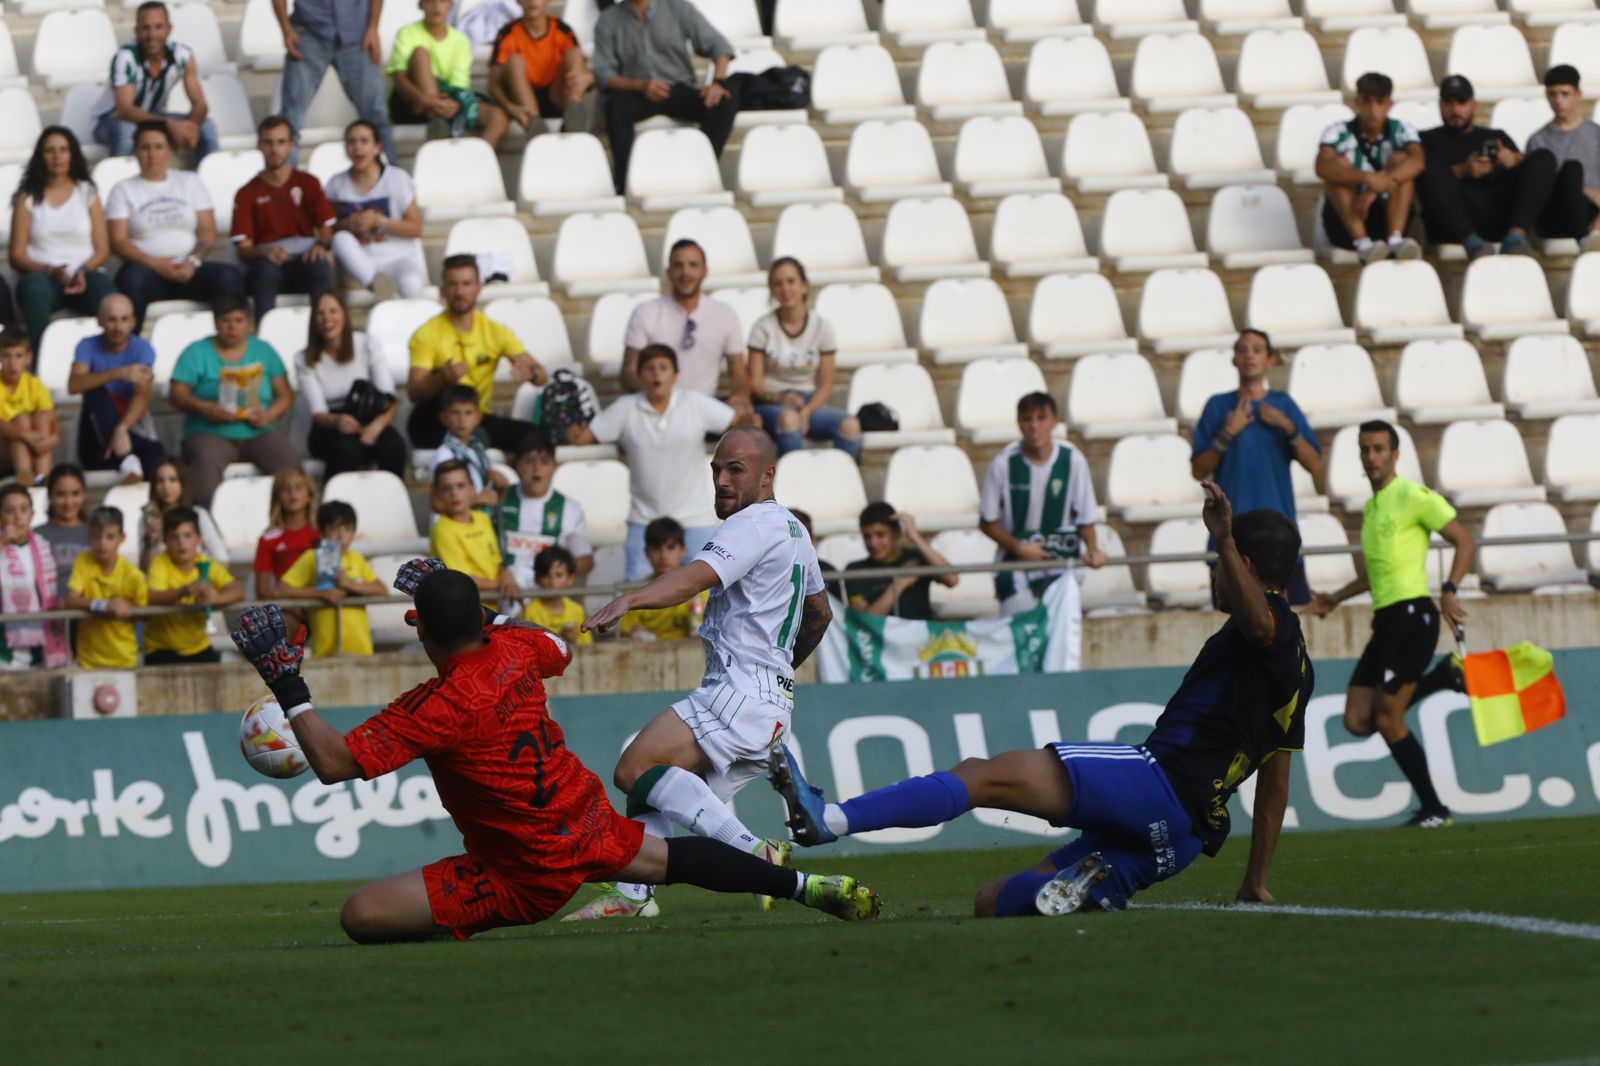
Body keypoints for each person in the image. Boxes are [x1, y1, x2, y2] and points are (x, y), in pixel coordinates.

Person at [226, 564, 877, 942]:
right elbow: (559, 648)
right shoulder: (514, 649)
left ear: (417, 627)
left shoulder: (433, 709)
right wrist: (467, 609)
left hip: (522, 869)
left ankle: (465, 927)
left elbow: (335, 763)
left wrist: (286, 682)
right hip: (585, 818)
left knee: (359, 916)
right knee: (673, 860)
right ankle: (807, 885)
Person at [777, 481, 1313, 917]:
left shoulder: (1270, 627)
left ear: (1242, 563)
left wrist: (1221, 540)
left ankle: (834, 821)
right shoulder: (1300, 670)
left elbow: (1260, 622)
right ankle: (1082, 887)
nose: (1213, 572)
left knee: (980, 774)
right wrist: (1255, 882)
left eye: (1218, 562)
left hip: (1157, 783)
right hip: (1183, 841)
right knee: (991, 901)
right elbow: (1275, 784)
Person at [569, 426, 831, 920]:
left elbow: (692, 579)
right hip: (771, 704)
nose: (723, 481)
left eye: (737, 470)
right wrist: (780, 674)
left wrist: (631, 599)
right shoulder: (794, 530)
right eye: (716, 470)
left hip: (738, 695)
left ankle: (756, 851)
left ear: (767, 475)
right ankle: (633, 896)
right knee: (658, 782)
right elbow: (820, 613)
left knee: (634, 768)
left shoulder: (751, 525)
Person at [1309, 420, 1474, 829]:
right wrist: (1335, 598)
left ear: (1395, 455)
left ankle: (1435, 809)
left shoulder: (1413, 496)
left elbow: (1465, 540)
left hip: (1413, 617)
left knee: (1387, 719)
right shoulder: (1370, 508)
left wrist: (1449, 590)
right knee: (1356, 720)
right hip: (1385, 621)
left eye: (1379, 449)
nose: (1371, 456)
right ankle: (1442, 678)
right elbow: (1372, 575)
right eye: (1365, 449)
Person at [573, 344, 733, 581]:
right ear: (639, 376)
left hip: (696, 519)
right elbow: (585, 437)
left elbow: (736, 422)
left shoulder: (695, 403)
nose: (657, 374)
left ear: (675, 374)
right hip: (644, 521)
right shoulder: (625, 407)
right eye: (649, 368)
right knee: (639, 602)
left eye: (663, 368)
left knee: (709, 601)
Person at [1190, 330, 1322, 605]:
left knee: (1290, 628)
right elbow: (1198, 470)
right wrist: (1227, 433)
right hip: (1231, 539)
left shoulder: (1284, 405)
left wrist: (1287, 427)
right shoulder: (1218, 406)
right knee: (1234, 633)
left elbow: (1315, 464)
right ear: (1234, 360)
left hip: (1282, 541)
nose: (1249, 354)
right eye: (1242, 349)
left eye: (1257, 349)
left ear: (1270, 360)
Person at [979, 392, 1106, 620]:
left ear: (1054, 422)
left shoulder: (1072, 461)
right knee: (1020, 635)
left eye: (1041, 418)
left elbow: (1085, 519)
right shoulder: (1003, 464)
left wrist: (1093, 548)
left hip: (1060, 563)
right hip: (1015, 566)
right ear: (1019, 424)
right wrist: (1018, 547)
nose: (1034, 426)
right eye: (1027, 419)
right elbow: (987, 522)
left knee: (1061, 637)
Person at [107, 122, 243, 332]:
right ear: (136, 151)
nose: (152, 154)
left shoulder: (190, 182)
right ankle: (130, 351)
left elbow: (207, 232)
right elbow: (118, 241)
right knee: (132, 280)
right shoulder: (123, 190)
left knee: (228, 277)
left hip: (190, 268)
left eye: (158, 147)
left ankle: (230, 348)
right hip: (147, 270)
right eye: (145, 147)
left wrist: (193, 261)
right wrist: (156, 264)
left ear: (170, 150)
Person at [168, 292, 298, 508]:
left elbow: (285, 394)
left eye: (238, 321)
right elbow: (176, 394)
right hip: (209, 432)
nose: (232, 327)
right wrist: (205, 408)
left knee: (288, 460)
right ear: (215, 322)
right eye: (225, 321)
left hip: (258, 431)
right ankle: (207, 522)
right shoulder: (196, 352)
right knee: (205, 462)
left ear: (248, 322)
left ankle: (294, 524)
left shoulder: (263, 351)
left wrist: (270, 415)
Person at [592, 0, 736, 194]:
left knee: (723, 102)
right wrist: (640, 85)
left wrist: (718, 82)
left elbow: (719, 45)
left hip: (678, 89)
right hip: (637, 91)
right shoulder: (608, 20)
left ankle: (702, 168)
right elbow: (603, 74)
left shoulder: (677, 7)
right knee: (616, 104)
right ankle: (624, 181)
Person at [407, 254, 547, 450]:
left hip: (477, 418)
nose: (460, 292)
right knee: (449, 401)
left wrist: (530, 373)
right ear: (443, 290)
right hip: (438, 421)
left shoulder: (495, 331)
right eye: (453, 284)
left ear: (479, 288)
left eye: (466, 284)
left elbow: (542, 376)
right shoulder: (426, 333)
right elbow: (414, 392)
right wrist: (442, 378)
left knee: (535, 437)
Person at [1417, 75, 1560, 258]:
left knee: (1544, 157)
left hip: (1497, 216)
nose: (1455, 109)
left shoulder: (1496, 136)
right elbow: (1422, 180)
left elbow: (1531, 173)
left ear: (1473, 105)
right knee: (1424, 166)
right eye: (1448, 103)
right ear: (1440, 106)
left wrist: (1514, 160)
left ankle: (1516, 236)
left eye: (1461, 102)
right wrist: (1462, 171)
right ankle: (1471, 240)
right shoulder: (1426, 139)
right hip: (1454, 224)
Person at [8, 127, 116, 352]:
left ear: (72, 154)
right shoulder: (27, 197)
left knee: (109, 297)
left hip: (85, 274)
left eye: (63, 150)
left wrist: (83, 272)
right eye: (50, 151)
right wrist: (50, 270)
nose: (57, 157)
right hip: (43, 276)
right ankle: (41, 360)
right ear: (41, 156)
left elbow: (103, 249)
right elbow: (16, 255)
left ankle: (109, 362)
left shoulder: (87, 192)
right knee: (34, 290)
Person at [748, 257, 860, 461]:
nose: (785, 288)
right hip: (772, 401)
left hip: (809, 401)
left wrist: (807, 411)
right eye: (778, 283)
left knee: (851, 426)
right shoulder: (762, 328)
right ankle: (791, 484)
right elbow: (755, 385)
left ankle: (843, 483)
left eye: (791, 281)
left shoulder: (822, 327)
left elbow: (825, 386)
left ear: (804, 285)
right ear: (772, 290)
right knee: (789, 420)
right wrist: (782, 400)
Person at [621, 240, 749, 411]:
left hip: (705, 409)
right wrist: (658, 396)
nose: (685, 272)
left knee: (751, 422)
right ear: (669, 272)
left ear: (704, 271)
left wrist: (739, 398)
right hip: (657, 409)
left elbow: (738, 371)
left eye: (693, 265)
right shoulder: (645, 312)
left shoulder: (724, 314)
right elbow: (628, 372)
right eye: (678, 265)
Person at [296, 290, 407, 481]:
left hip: (370, 415)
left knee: (393, 447)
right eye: (320, 313)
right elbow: (319, 413)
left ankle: (391, 501)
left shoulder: (367, 345)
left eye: (333, 311)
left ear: (344, 315)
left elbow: (390, 400)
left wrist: (377, 426)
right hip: (330, 423)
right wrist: (338, 421)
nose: (327, 318)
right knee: (347, 452)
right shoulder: (304, 359)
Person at [231, 116, 336, 317]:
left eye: (281, 142)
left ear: (291, 146)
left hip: (302, 261)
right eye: (268, 142)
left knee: (320, 265)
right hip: (267, 265)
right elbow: (243, 250)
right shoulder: (246, 192)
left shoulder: (309, 183)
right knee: (264, 271)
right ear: (259, 146)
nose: (275, 149)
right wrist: (265, 253)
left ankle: (322, 333)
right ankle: (265, 337)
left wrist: (321, 247)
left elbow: (327, 232)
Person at [274, 0, 400, 167]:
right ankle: (282, 185)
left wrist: (373, 28)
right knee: (291, 117)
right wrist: (286, 29)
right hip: (309, 34)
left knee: (376, 114)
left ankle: (390, 180)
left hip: (357, 36)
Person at [1317, 72, 1425, 264]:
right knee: (1337, 168)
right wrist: (1366, 178)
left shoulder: (1402, 129)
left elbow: (1418, 161)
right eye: (1367, 101)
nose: (1373, 109)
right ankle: (1362, 244)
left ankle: (1395, 239)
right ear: (1357, 102)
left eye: (1380, 102)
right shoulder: (1337, 131)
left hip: (1386, 215)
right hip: (1349, 219)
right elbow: (1321, 166)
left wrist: (1373, 190)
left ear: (1389, 104)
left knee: (1402, 160)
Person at [92, 1, 218, 162]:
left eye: (158, 27)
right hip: (111, 120)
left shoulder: (182, 55)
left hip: (154, 117)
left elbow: (200, 104)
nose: (152, 34)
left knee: (206, 126)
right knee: (126, 130)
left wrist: (190, 127)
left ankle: (210, 183)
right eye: (146, 28)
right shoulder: (126, 58)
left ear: (169, 29)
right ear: (137, 31)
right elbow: (125, 110)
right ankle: (117, 181)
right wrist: (169, 124)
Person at [324, 121, 427, 300]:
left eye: (364, 141)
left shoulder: (397, 178)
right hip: (360, 262)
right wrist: (347, 225)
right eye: (351, 142)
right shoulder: (336, 184)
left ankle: (387, 296)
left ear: (377, 147)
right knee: (340, 239)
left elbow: (416, 228)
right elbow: (327, 229)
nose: (357, 148)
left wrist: (380, 222)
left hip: (398, 256)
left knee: (412, 284)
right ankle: (377, 286)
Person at [68, 294, 165, 482]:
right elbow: (74, 385)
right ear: (100, 321)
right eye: (111, 319)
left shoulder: (143, 350)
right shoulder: (86, 345)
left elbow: (141, 397)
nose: (118, 327)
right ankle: (129, 459)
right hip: (95, 432)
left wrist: (121, 428)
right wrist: (117, 373)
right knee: (95, 391)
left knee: (155, 461)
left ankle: (128, 460)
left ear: (133, 322)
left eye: (124, 319)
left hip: (131, 422)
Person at [388, 0, 510, 147]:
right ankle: (437, 117)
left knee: (498, 118)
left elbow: (459, 87)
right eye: (430, 2)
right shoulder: (406, 33)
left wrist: (449, 104)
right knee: (420, 54)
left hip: (448, 102)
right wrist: (428, 101)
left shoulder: (461, 40)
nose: (436, 6)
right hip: (413, 104)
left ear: (451, 5)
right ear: (421, 5)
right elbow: (399, 77)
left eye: (442, 1)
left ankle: (474, 164)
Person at [275, 500, 387, 658]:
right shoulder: (311, 557)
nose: (341, 536)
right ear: (322, 532)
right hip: (325, 652)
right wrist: (320, 593)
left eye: (347, 530)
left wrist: (351, 584)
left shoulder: (356, 558)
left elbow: (381, 589)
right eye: (334, 529)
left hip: (362, 650)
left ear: (353, 534)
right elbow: (281, 589)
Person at [495, 430, 593, 600]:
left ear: (555, 466)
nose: (537, 468)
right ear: (517, 465)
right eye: (529, 461)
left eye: (544, 462)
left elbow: (585, 560)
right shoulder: (499, 500)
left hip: (547, 594)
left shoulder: (570, 508)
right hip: (503, 588)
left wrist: (555, 573)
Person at [144, 505, 242, 664]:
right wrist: (184, 591)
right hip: (160, 649)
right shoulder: (159, 563)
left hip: (198, 647)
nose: (181, 542)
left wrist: (216, 598)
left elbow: (237, 591)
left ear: (199, 538)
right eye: (174, 537)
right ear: (165, 541)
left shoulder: (206, 564)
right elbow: (151, 596)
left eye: (187, 535)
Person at [488, 0, 594, 134]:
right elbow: (493, 86)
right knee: (515, 60)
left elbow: (586, 78)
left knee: (574, 53)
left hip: (556, 95)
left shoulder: (563, 30)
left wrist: (587, 79)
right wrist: (511, 108)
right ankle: (535, 124)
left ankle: (573, 115)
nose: (532, 1)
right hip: (523, 102)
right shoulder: (507, 34)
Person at [62, 506, 148, 670]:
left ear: (122, 538)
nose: (102, 543)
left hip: (125, 659)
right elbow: (70, 600)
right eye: (96, 536)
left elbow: (145, 614)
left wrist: (127, 608)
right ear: (89, 537)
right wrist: (103, 605)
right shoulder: (83, 561)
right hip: (87, 661)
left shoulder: (133, 575)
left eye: (110, 537)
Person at [1527, 65, 1600, 252]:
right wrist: (1586, 191)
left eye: (1565, 94)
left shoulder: (1595, 135)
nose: (1558, 101)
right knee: (1572, 170)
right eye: (1552, 94)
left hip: (1592, 214)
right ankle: (1586, 241)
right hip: (1554, 216)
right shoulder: (1538, 140)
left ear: (1578, 95)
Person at [844, 502, 958, 621]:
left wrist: (914, 536)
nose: (873, 543)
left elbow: (952, 579)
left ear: (896, 534)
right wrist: (898, 584)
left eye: (880, 535)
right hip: (881, 639)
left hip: (921, 637)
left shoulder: (916, 558)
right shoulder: (855, 570)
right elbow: (865, 622)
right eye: (867, 537)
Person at [0, 483, 69, 669]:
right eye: (9, 510)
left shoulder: (42, 546)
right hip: (4, 643)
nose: (17, 517)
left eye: (23, 509)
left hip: (41, 637)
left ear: (32, 514)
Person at [619, 516, 706, 642]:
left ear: (683, 550)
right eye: (656, 549)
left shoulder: (700, 589)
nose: (663, 555)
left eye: (670, 547)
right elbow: (626, 637)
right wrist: (635, 634)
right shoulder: (633, 595)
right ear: (647, 552)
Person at [140, 457, 229, 570]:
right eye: (160, 481)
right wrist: (150, 541)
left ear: (182, 483)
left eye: (173, 480)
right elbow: (146, 570)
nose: (166, 487)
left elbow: (222, 558)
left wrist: (203, 579)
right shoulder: (148, 519)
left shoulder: (198, 514)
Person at [430, 459, 503, 594]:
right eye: (446, 488)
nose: (454, 493)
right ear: (438, 494)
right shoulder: (443, 530)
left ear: (473, 489)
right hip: (466, 610)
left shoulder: (483, 518)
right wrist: (502, 586)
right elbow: (461, 578)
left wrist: (506, 577)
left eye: (460, 486)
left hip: (496, 605)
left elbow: (499, 562)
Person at [428, 383, 504, 509]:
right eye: (455, 413)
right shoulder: (444, 455)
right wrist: (476, 500)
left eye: (468, 413)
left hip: (480, 518)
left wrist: (501, 487)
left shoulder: (477, 449)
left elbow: (487, 494)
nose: (462, 419)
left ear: (478, 418)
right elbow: (437, 503)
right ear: (444, 418)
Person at [0, 327, 60, 486]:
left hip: (34, 447)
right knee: (22, 421)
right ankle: (25, 475)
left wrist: (50, 440)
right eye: (7, 356)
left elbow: (52, 422)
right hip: (4, 450)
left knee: (42, 417)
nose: (12, 363)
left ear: (28, 358)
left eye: (18, 356)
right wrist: (23, 434)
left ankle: (41, 475)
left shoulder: (35, 385)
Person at [253, 468, 320, 599]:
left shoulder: (322, 534)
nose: (292, 493)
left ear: (309, 496)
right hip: (287, 607)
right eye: (285, 488)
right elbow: (262, 592)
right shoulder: (267, 539)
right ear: (277, 496)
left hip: (320, 605)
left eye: (299, 487)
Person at [38, 463, 89, 599]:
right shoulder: (35, 536)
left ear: (84, 494)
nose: (68, 502)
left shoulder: (98, 534)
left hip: (90, 616)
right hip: (48, 616)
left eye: (75, 493)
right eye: (60, 494)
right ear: (49, 495)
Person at [521, 544, 589, 646]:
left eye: (559, 575)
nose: (553, 582)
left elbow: (587, 646)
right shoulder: (529, 611)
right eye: (546, 575)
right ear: (536, 578)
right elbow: (528, 648)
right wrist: (561, 638)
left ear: (570, 578)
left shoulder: (577, 610)